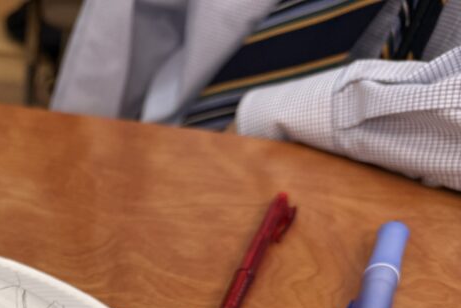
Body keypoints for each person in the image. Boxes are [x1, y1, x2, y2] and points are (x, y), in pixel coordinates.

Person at [51, 0, 461, 191]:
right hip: (165, 148)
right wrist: (76, 156)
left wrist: (277, 113)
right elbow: (135, 18)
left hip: (413, 228)